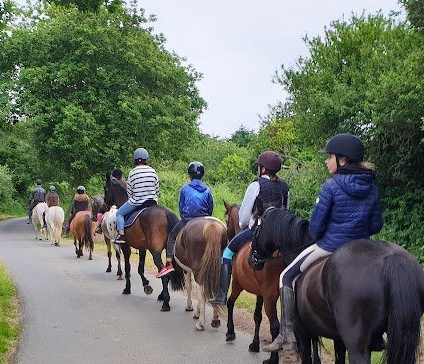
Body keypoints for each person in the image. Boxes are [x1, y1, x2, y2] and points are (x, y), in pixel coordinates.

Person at [262, 133, 383, 352]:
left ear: (342, 160)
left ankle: (287, 334)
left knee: (286, 276)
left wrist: (331, 232)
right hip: (362, 250)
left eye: (330, 157)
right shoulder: (372, 188)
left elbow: (316, 228)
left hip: (330, 246)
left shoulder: (331, 187)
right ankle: (375, 335)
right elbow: (376, 226)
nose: (327, 161)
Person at [209, 151, 289, 305]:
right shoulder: (284, 186)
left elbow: (244, 217)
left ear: (263, 169)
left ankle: (222, 295)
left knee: (226, 253)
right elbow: (286, 210)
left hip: (258, 231)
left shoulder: (255, 185)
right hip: (280, 235)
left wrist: (242, 225)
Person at [156, 162, 213, 278]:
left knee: (171, 236)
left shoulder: (185, 188)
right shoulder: (207, 190)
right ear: (202, 175)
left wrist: (184, 216)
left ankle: (169, 263)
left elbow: (181, 206)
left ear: (189, 175)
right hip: (204, 219)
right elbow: (210, 207)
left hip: (188, 219)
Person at [113, 148, 159, 244]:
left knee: (119, 214)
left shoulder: (133, 172)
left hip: (138, 202)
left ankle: (121, 235)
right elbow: (156, 189)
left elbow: (129, 191)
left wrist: (132, 198)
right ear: (146, 159)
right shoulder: (153, 171)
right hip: (152, 201)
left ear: (135, 159)